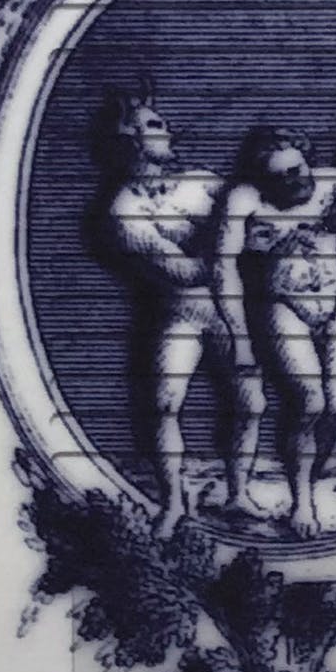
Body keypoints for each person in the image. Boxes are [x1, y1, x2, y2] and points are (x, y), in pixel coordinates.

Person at [99, 89, 254, 537]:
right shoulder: (124, 210)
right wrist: (229, 241)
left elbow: (257, 220)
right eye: (153, 125)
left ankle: (239, 494)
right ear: (128, 140)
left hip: (229, 310)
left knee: (252, 404)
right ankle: (172, 503)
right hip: (180, 314)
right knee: (164, 404)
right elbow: (185, 272)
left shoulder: (202, 181)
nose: (165, 130)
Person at [215, 128, 336, 537]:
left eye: (296, 170)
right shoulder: (243, 200)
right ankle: (303, 501)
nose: (291, 182)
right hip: (282, 305)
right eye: (277, 177)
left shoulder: (335, 184)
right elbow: (224, 269)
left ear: (307, 159)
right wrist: (240, 339)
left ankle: (307, 475)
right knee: (310, 402)